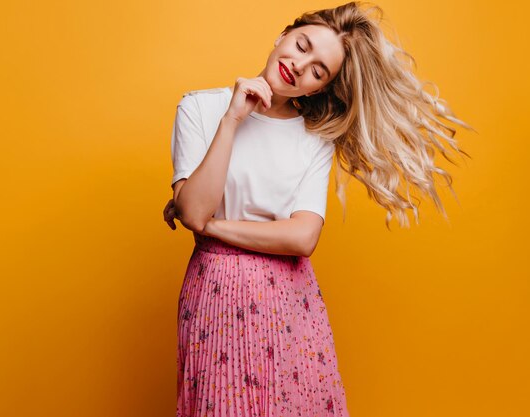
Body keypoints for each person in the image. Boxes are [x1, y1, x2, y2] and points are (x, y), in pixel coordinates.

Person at [163, 2, 473, 416]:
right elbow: (196, 212)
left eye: (318, 70)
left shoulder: (314, 141)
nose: (299, 64)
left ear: (318, 89)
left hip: (288, 304)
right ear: (282, 36)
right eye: (301, 45)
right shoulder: (200, 108)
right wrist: (232, 120)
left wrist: (211, 226)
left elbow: (301, 237)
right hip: (213, 296)